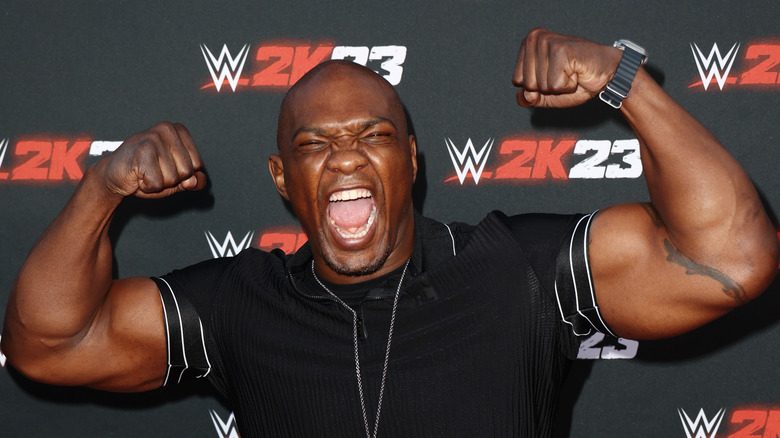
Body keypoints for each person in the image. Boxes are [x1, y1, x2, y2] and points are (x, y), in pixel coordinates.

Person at [2, 29, 777, 437]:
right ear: (282, 182)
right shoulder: (235, 304)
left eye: (372, 136)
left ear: (408, 162)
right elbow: (49, 345)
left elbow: (730, 257)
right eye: (314, 144)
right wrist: (99, 187)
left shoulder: (519, 269)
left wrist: (625, 82)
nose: (343, 154)